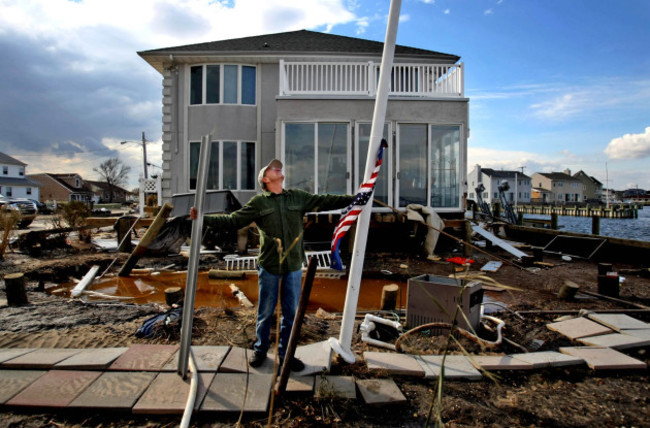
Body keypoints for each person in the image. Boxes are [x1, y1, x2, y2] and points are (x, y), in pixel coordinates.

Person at [190, 159, 353, 371]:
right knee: (265, 312)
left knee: (291, 313)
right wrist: (203, 219)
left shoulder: (297, 197)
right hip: (269, 267)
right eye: (272, 168)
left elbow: (325, 201)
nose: (279, 168)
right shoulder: (259, 203)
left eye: (278, 167)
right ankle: (260, 350)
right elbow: (233, 220)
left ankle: (286, 354)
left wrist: (355, 198)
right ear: (265, 180)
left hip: (293, 266)